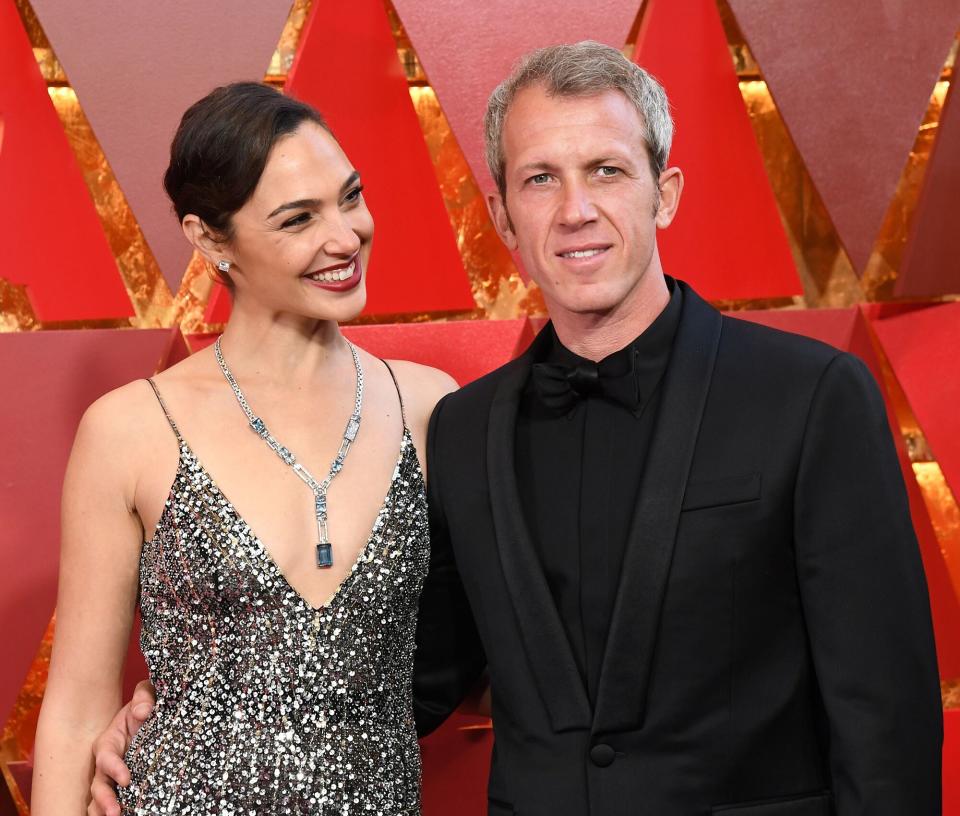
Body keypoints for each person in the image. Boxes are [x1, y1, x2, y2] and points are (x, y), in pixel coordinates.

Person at [91, 43, 942, 816]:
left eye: (606, 170)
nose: (575, 210)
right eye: (540, 179)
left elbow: (885, 716)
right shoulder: (462, 428)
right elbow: (411, 675)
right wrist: (200, 719)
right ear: (501, 218)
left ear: (665, 194)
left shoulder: (813, 395)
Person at [32, 82, 455, 814]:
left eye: (349, 198)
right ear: (209, 238)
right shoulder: (131, 429)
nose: (345, 237)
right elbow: (75, 710)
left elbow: (492, 643)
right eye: (298, 219)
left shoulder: (427, 405)